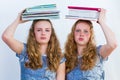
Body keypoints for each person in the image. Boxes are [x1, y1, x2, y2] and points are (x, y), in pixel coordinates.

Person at [2, 11, 65, 80]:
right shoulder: (25, 50)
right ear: (33, 32)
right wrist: (18, 20)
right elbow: (6, 37)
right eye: (39, 30)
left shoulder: (59, 57)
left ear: (51, 33)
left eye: (47, 30)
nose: (43, 33)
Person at [64, 8, 117, 80]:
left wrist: (102, 22)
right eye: (78, 31)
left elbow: (113, 44)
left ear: (90, 35)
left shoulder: (98, 52)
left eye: (85, 31)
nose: (81, 34)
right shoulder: (66, 58)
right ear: (73, 34)